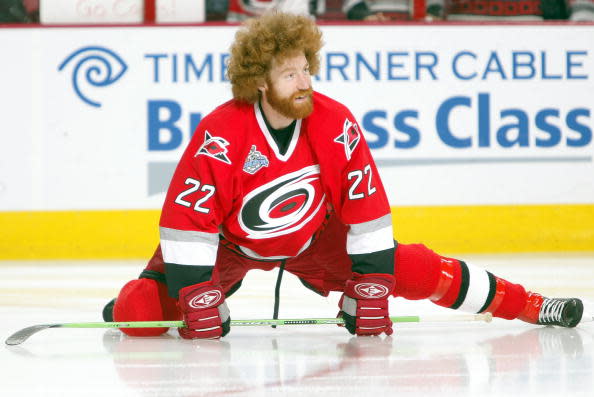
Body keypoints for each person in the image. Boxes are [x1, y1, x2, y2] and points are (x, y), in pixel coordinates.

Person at [103, 11, 585, 340]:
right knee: (138, 313)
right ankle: (121, 306)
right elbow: (189, 221)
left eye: (306, 70)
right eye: (290, 74)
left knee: (415, 267)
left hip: (315, 239)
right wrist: (194, 295)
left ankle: (529, 304)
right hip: (229, 247)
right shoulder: (221, 133)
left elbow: (367, 211)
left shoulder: (334, 123)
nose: (305, 82)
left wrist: (370, 285)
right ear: (258, 82)